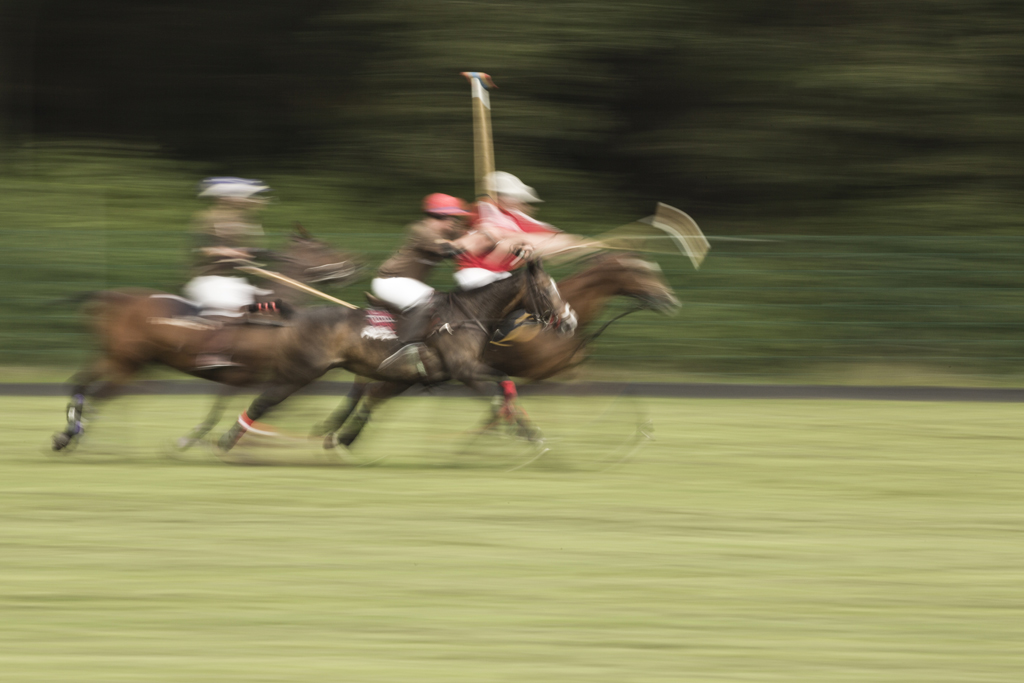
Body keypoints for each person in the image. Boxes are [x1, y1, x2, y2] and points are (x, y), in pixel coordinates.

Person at [370, 193, 476, 373]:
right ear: (439, 216)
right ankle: (405, 348)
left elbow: (471, 234)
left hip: (407, 283)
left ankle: (419, 345)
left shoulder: (446, 231)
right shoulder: (420, 230)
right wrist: (472, 240)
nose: (453, 223)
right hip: (389, 281)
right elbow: (449, 250)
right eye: (451, 218)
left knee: (440, 301)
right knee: (431, 299)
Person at [183, 177, 275, 370]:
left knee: (270, 305)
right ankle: (209, 353)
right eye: (243, 197)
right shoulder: (209, 218)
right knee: (230, 307)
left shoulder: (245, 221)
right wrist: (236, 253)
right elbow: (205, 250)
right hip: (210, 277)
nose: (250, 200)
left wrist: (252, 259)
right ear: (226, 198)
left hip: (234, 279)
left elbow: (247, 253)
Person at [454, 171, 597, 290]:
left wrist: (583, 244)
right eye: (513, 197)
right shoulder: (483, 208)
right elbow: (478, 226)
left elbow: (557, 237)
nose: (521, 202)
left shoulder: (519, 219)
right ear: (498, 196)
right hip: (475, 273)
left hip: (502, 276)